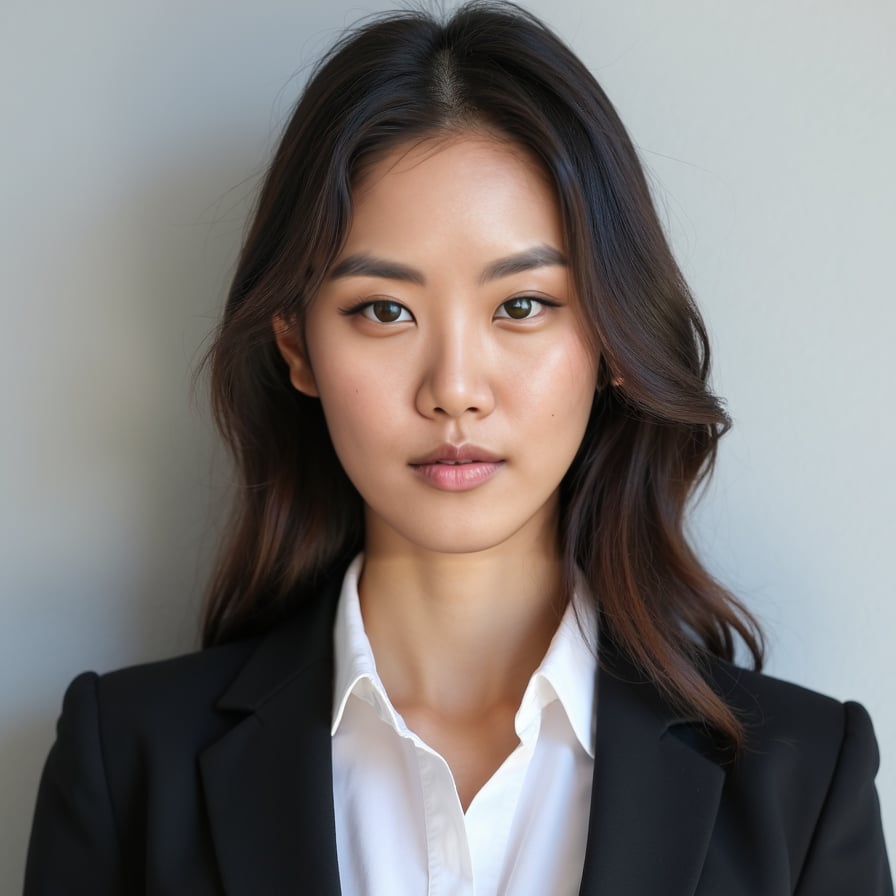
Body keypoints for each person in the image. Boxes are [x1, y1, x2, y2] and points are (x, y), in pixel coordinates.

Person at [23, 2, 893, 894]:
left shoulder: (803, 785)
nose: (454, 387)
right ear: (296, 346)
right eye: (384, 310)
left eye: (522, 305)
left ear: (610, 342)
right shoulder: (125, 764)